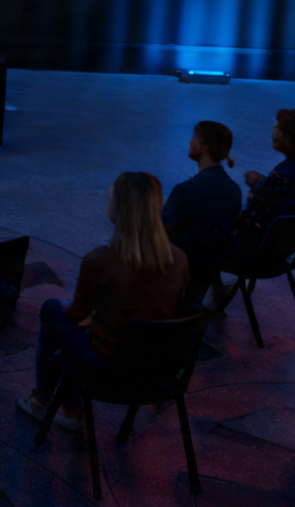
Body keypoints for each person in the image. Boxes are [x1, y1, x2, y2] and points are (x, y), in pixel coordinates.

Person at [17, 172, 189, 431]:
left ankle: (47, 402)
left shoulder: (100, 260)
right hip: (156, 367)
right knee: (93, 321)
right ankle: (67, 405)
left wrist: (90, 312)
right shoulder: (180, 259)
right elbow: (173, 307)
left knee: (52, 309)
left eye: (110, 196)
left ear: (119, 208)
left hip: (109, 367)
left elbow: (74, 316)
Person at [214, 109, 295, 294]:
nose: (273, 129)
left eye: (278, 127)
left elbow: (253, 219)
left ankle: (203, 296)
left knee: (197, 235)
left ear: (291, 137)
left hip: (260, 254)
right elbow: (286, 199)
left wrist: (256, 189)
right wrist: (263, 184)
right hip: (284, 250)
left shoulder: (286, 175)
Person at [159, 120, 243, 300]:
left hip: (181, 267)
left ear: (205, 146)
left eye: (194, 137)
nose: (190, 141)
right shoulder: (234, 190)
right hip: (208, 268)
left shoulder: (186, 190)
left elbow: (161, 229)